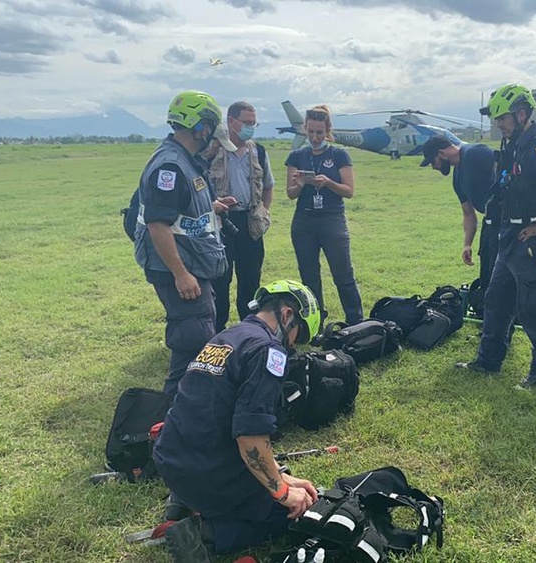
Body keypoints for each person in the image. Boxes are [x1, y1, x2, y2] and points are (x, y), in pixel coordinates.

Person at [154, 280, 322, 562]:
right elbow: (251, 439)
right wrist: (282, 492)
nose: (293, 347)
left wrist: (282, 475)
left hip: (172, 460)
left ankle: (184, 502)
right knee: (286, 514)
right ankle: (203, 533)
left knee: (273, 487)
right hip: (205, 474)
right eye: (298, 336)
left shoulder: (228, 336)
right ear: (288, 315)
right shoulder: (269, 351)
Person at [455, 84, 536, 388]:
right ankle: (488, 361)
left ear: (521, 113)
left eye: (503, 118)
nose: (499, 124)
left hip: (530, 241)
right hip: (508, 236)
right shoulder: (513, 144)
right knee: (496, 299)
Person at [133, 90, 239, 398]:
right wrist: (181, 274)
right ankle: (173, 418)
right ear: (201, 127)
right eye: (209, 128)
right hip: (180, 270)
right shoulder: (170, 167)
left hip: (193, 262)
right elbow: (157, 224)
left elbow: (180, 211)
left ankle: (191, 410)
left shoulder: (185, 161)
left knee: (199, 335)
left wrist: (212, 207)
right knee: (192, 340)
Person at [284, 105, 363, 325]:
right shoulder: (296, 156)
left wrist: (327, 183)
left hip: (332, 220)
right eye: (310, 132)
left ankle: (356, 322)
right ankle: (314, 323)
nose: (315, 137)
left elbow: (349, 191)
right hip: (304, 221)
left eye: (319, 132)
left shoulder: (338, 154)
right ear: (305, 129)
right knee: (309, 277)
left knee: (343, 274)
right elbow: (290, 194)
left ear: (327, 130)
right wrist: (299, 185)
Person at [204, 101, 275, 332]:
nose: (250, 127)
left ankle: (250, 329)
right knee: (220, 279)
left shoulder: (259, 151)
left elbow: (268, 185)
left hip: (249, 222)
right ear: (231, 122)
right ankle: (217, 329)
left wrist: (264, 211)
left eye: (253, 123)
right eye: (246, 123)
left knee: (251, 279)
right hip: (220, 222)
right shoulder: (213, 151)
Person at [418, 135, 499, 314]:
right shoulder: (457, 177)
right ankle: (489, 316)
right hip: (490, 223)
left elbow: (506, 169)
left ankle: (505, 321)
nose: (434, 167)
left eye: (433, 161)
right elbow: (468, 213)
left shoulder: (474, 153)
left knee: (499, 277)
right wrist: (467, 244)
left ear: (442, 153)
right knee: (486, 274)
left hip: (507, 222)